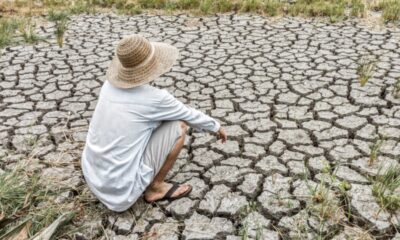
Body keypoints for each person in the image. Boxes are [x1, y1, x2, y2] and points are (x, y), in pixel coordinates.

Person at [81, 34, 227, 212]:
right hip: (121, 193)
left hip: (93, 177)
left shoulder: (108, 86)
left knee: (157, 121)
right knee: (179, 126)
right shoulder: (155, 99)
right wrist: (216, 126)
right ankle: (156, 187)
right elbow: (188, 115)